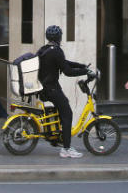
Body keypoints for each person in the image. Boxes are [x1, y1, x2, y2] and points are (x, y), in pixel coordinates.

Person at [37, 24, 91, 158]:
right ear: (59, 37)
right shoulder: (56, 51)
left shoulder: (44, 50)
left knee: (63, 108)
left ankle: (59, 137)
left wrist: (80, 66)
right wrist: (85, 71)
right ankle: (66, 149)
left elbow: (63, 62)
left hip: (45, 87)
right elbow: (67, 71)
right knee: (67, 114)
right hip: (52, 89)